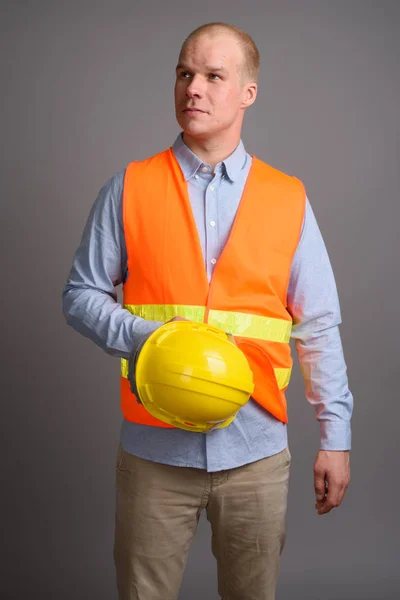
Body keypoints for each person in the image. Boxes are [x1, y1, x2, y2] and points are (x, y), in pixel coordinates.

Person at [62, 21, 353, 600]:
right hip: (153, 457)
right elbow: (80, 294)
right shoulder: (130, 187)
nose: (193, 88)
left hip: (256, 456)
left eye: (213, 76)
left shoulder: (287, 196)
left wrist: (336, 437)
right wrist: (149, 337)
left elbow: (317, 324)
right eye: (184, 73)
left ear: (248, 92)